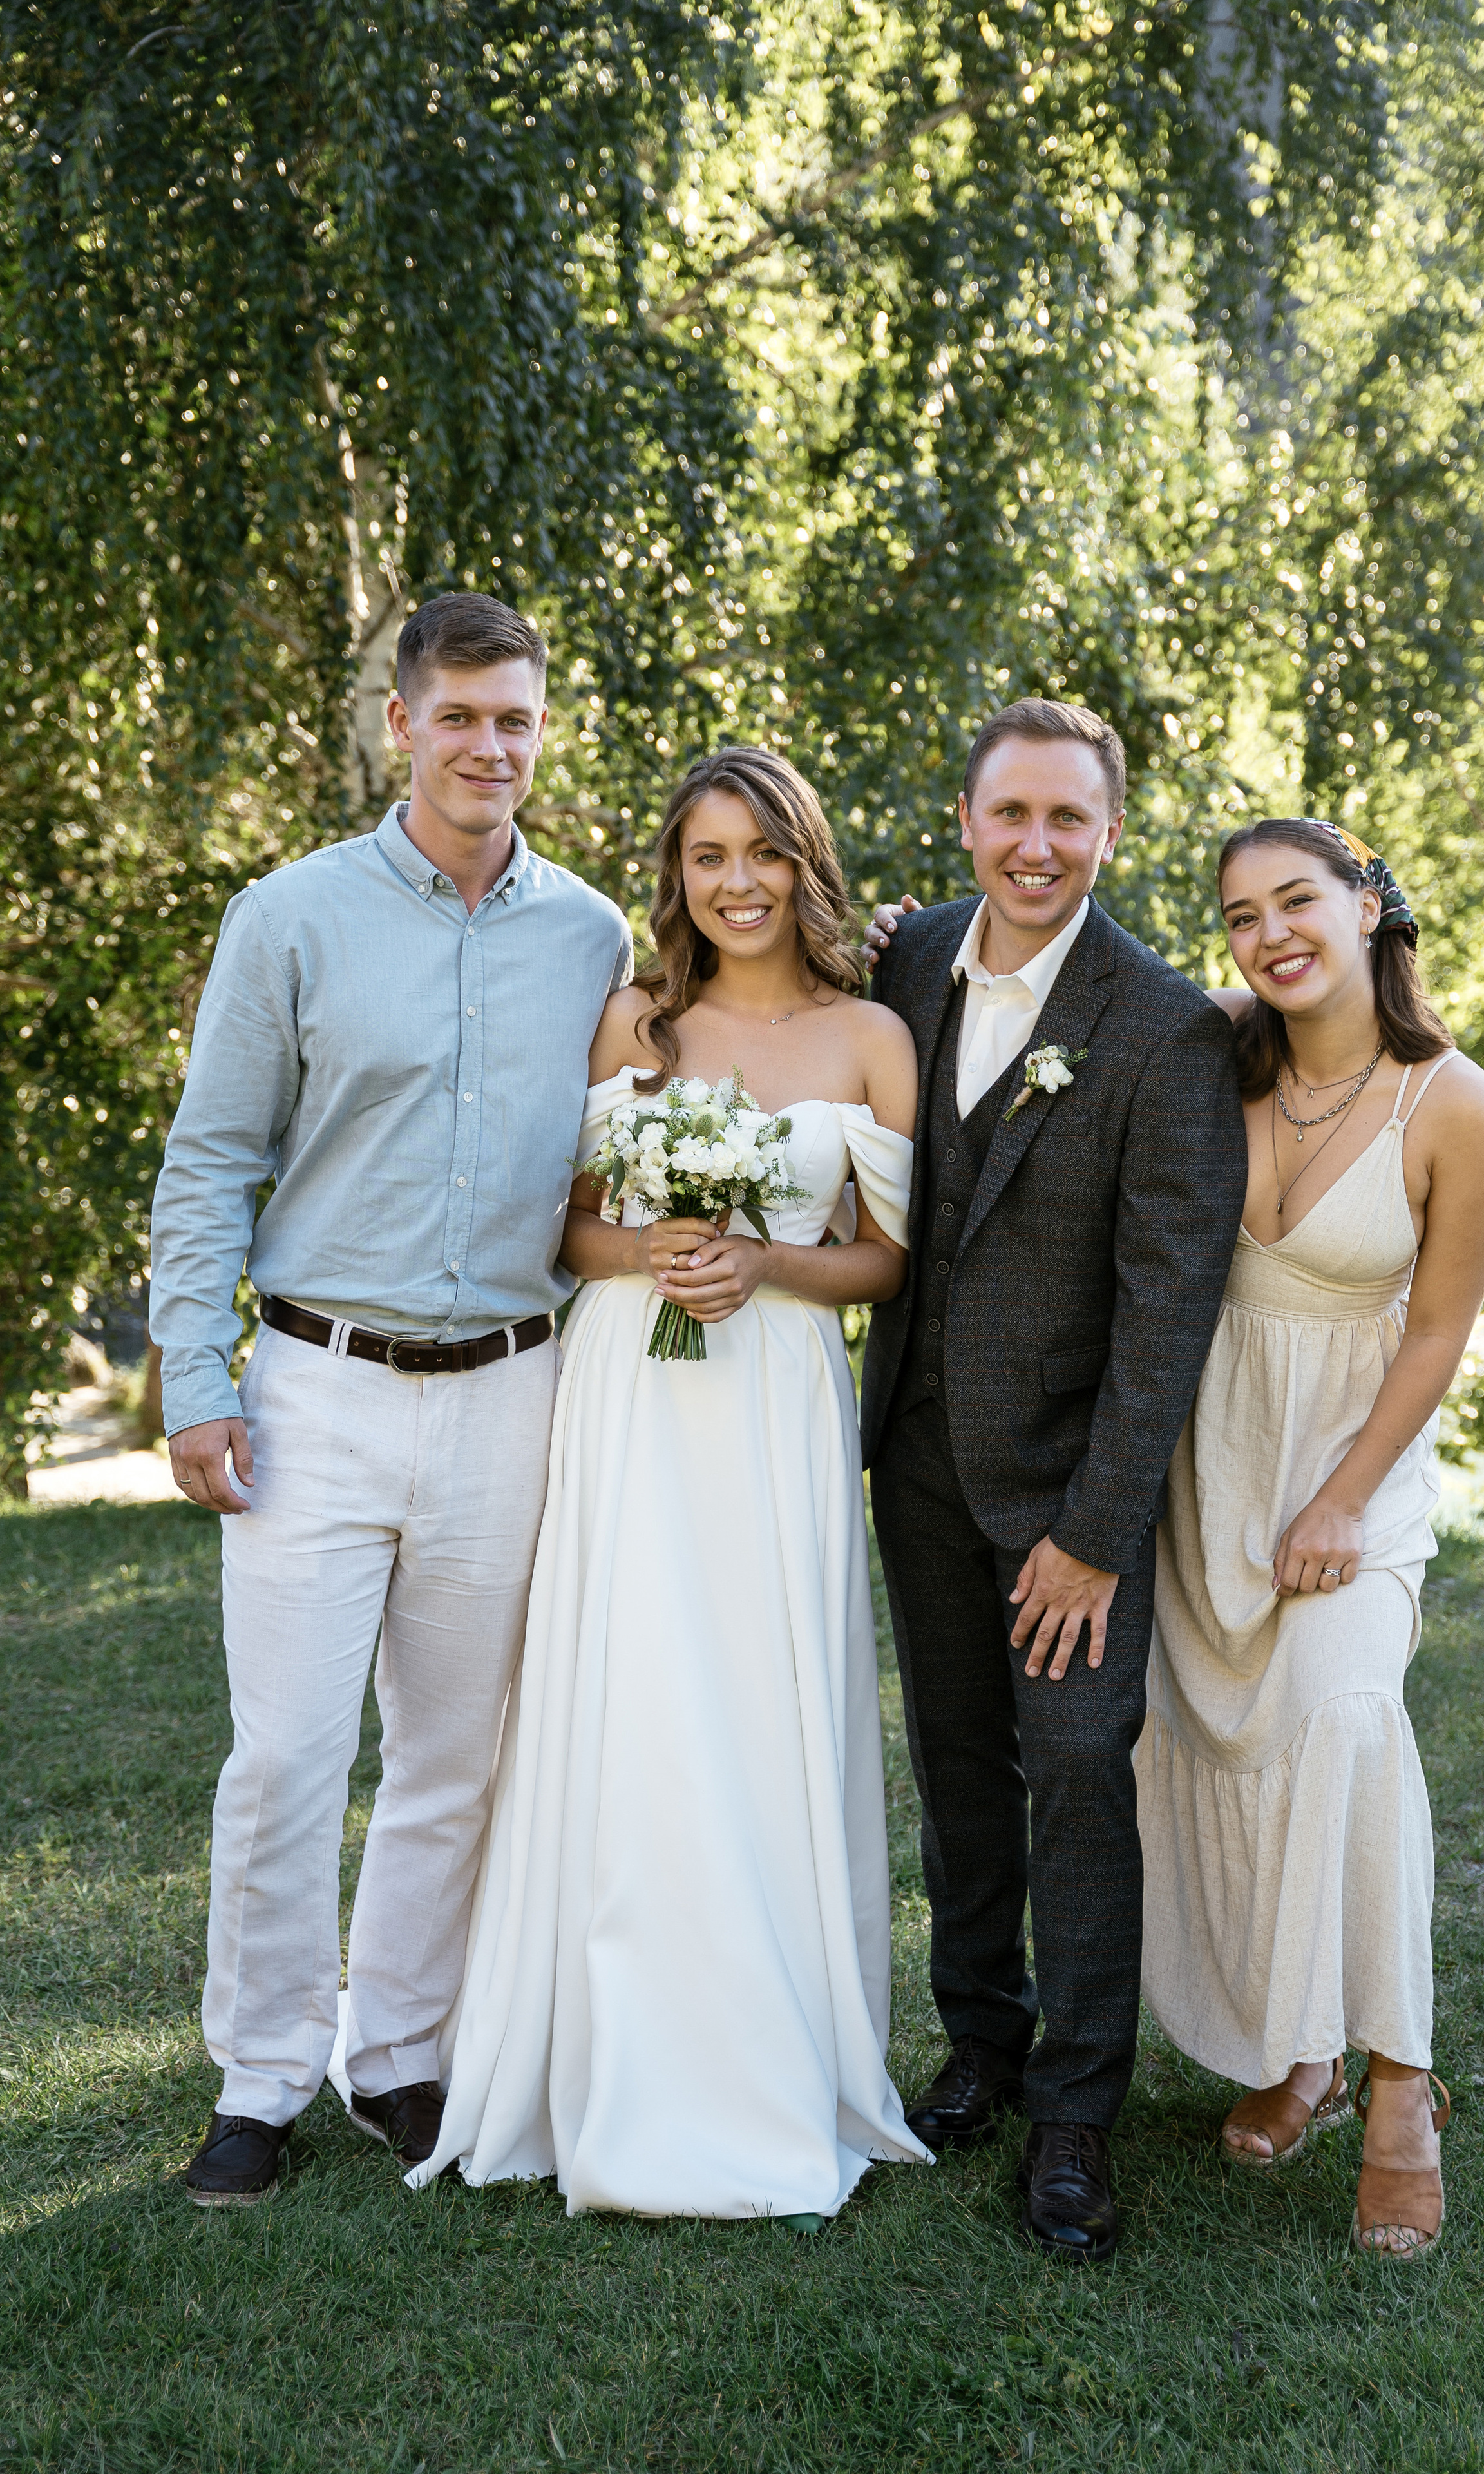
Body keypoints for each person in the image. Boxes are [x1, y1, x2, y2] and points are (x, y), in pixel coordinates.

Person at [149, 593, 632, 2207]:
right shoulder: (289, 917)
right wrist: (195, 1378)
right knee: (286, 1760)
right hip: (317, 1391)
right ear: (400, 724)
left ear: (541, 732)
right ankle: (259, 2078)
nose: (489, 746)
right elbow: (210, 1160)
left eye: (515, 720)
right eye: (460, 716)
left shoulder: (592, 937)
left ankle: (401, 2055)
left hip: (510, 1390)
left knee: (453, 1760)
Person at [411, 746, 931, 2222]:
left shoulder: (870, 1037)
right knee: (630, 1690)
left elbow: (885, 1263)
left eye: (763, 852)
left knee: (761, 1694)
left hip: (773, 1400)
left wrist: (762, 1264)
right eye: (708, 856)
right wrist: (653, 1251)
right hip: (629, 1393)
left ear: (803, 865)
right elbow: (568, 1229)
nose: (736, 882)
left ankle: (770, 2053)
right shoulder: (630, 1021)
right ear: (677, 874)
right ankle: (610, 2050)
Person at [860, 698, 1248, 2263]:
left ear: (1108, 833)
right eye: (1008, 814)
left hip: (1068, 1489)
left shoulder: (1163, 1026)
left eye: (1065, 819)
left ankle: (1075, 2112)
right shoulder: (902, 961)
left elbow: (1168, 1313)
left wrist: (1093, 1534)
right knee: (957, 1765)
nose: (1034, 846)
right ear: (964, 820)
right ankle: (981, 2040)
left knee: (1079, 1774)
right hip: (913, 1458)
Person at [1136, 816, 1484, 2259]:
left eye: (1295, 900)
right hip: (1210, 1475)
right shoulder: (1214, 1058)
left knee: (1346, 1722)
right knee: (1219, 1749)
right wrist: (904, 944)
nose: (1269, 934)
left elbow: (1437, 1334)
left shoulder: (1453, 1104)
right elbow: (1069, 995)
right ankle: (1300, 2054)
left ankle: (1399, 2087)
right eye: (1240, 916)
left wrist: (1345, 1496)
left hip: (1356, 1475)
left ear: (1367, 904)